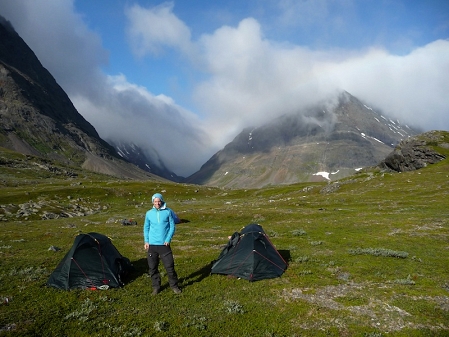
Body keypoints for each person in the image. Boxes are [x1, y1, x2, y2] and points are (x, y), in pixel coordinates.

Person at [143, 193, 181, 295]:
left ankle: (174, 286)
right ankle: (156, 287)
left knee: (169, 267)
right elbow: (146, 228)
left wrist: (168, 239)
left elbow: (172, 227)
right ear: (153, 202)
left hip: (164, 245)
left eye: (159, 201)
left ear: (162, 201)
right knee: (152, 268)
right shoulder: (149, 213)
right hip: (152, 245)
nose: (157, 203)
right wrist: (146, 241)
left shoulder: (168, 212)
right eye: (155, 201)